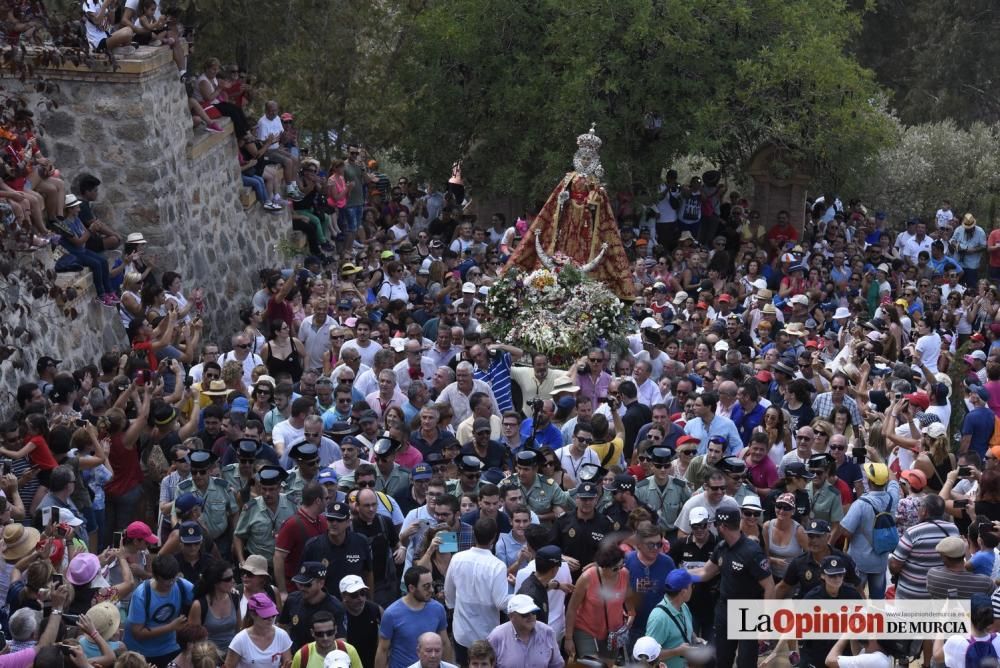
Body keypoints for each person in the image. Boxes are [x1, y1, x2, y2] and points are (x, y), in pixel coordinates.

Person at [688, 505, 774, 668]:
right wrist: (683, 575)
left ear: (723, 526)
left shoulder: (752, 552)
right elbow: (706, 572)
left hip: (748, 611)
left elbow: (769, 586)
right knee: (722, 658)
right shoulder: (721, 547)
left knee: (745, 661)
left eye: (715, 525)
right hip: (725, 608)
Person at [444, 517, 510, 665]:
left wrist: (455, 608)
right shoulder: (497, 566)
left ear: (474, 533)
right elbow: (501, 602)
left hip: (462, 631)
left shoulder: (457, 558)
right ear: (494, 537)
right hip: (486, 633)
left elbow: (449, 593)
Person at [831, 462, 899, 599]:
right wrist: (880, 460)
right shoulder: (893, 498)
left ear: (869, 481)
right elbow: (894, 482)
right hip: (880, 561)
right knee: (878, 601)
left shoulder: (860, 504)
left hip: (859, 562)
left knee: (855, 599)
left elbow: (846, 532)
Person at [563, 542, 634, 664]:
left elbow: (628, 598)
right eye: (615, 568)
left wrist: (631, 615)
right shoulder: (587, 577)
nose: (619, 570)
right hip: (586, 630)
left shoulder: (624, 574)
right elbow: (572, 608)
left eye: (621, 566)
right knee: (593, 665)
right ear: (603, 566)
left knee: (608, 665)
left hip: (613, 633)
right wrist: (569, 638)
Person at [124, 554, 195, 668]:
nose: (171, 584)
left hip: (170, 647)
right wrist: (171, 627)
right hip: (141, 652)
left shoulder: (181, 584)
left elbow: (202, 596)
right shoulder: (141, 594)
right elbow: (138, 633)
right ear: (155, 576)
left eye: (173, 579)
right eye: (166, 581)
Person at [375, 566, 452, 668]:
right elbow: (383, 650)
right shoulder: (391, 614)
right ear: (411, 588)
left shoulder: (438, 609)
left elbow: (445, 643)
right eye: (426, 586)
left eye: (431, 585)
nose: (432, 590)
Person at [278, 562, 348, 653]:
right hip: (295, 658)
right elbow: (282, 627)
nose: (302, 588)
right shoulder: (292, 600)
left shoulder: (336, 608)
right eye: (299, 584)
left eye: (307, 585)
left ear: (321, 583)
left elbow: (340, 641)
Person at [486, 595, 564, 668]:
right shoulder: (496, 636)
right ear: (511, 616)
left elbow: (557, 665)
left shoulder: (547, 632)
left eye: (533, 612)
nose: (530, 617)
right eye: (525, 614)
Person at [644, 568, 698, 668]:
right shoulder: (659, 618)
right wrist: (676, 652)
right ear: (683, 592)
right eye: (692, 586)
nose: (693, 589)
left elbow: (686, 630)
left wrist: (696, 639)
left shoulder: (683, 606)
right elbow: (648, 656)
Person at [224, 593, 293, 668]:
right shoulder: (240, 640)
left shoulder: (282, 636)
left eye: (273, 615)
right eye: (266, 616)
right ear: (253, 614)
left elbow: (288, 663)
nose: (270, 619)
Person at [289, 611, 362, 668]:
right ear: (312, 633)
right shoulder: (302, 655)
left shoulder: (349, 651)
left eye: (329, 632)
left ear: (336, 630)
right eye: (320, 634)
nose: (325, 638)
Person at [340, 575, 382, 668]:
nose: (360, 598)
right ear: (344, 596)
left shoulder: (376, 610)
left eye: (363, 593)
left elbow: (385, 641)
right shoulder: (339, 613)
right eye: (354, 595)